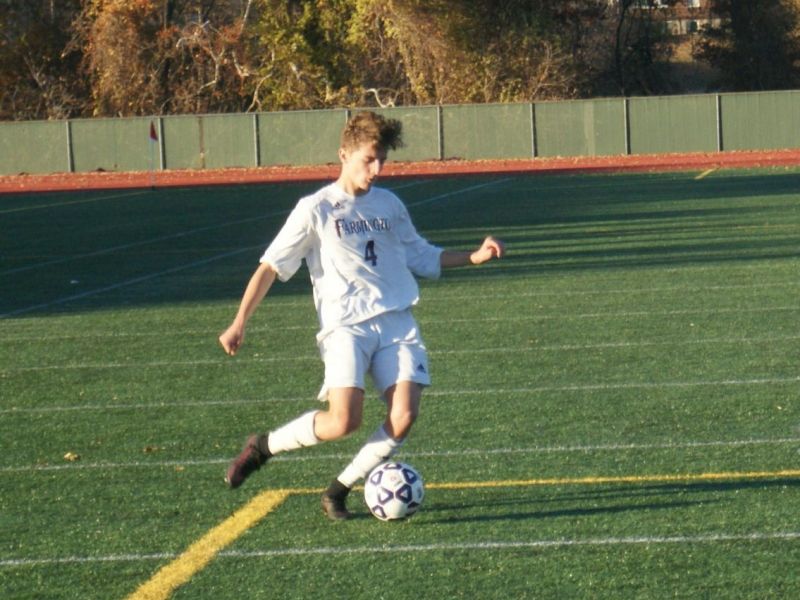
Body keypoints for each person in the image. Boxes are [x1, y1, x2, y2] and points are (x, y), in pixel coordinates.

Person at [219, 111, 504, 520]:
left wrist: (474, 256)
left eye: (382, 160)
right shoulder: (315, 209)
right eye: (369, 159)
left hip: (396, 321)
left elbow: (421, 254)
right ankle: (263, 447)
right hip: (346, 328)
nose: (378, 169)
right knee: (342, 422)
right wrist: (239, 322)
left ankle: (338, 491)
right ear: (343, 153)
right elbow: (269, 267)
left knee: (403, 416)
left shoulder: (389, 204)